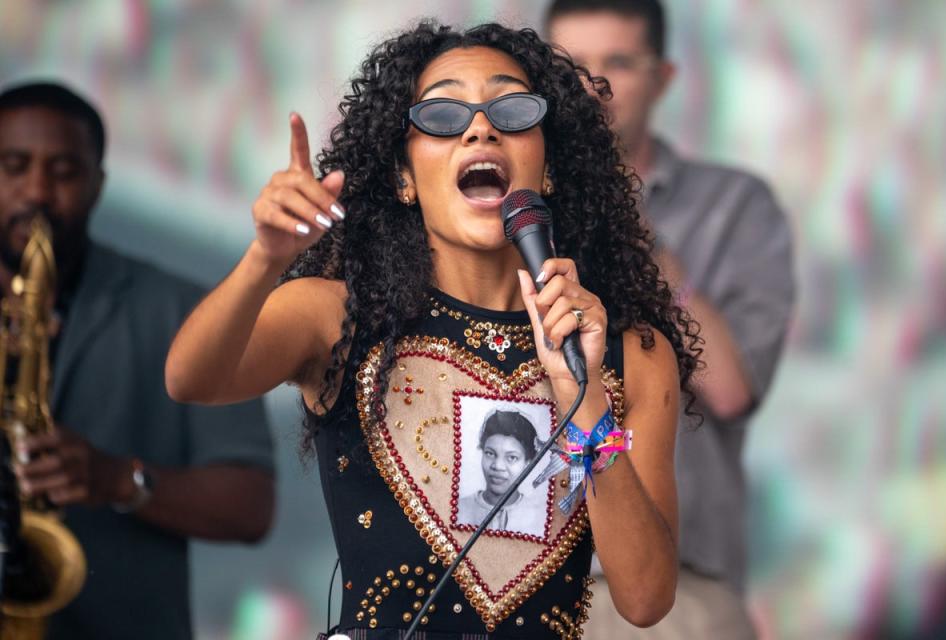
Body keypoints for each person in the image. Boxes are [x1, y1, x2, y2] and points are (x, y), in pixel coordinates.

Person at [165, 21, 700, 639]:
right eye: (443, 115)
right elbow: (189, 379)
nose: (480, 126)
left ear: (548, 167)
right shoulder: (336, 317)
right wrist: (265, 259)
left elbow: (645, 598)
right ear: (404, 178)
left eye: (512, 108)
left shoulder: (630, 353)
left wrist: (586, 408)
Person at [547, 1, 796, 638]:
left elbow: (731, 390)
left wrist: (631, 234)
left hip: (680, 591)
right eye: (570, 67)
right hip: (520, 580)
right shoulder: (506, 206)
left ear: (664, 79)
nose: (592, 88)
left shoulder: (734, 206)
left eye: (618, 64)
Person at [0, 81, 276, 640]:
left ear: (98, 185)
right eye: (14, 166)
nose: (37, 191)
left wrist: (119, 479)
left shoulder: (187, 309)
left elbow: (251, 507)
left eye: (64, 171)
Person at [457, 410, 543, 536]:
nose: (497, 466)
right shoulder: (459, 509)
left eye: (512, 457)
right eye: (490, 453)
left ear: (527, 463)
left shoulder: (539, 517)